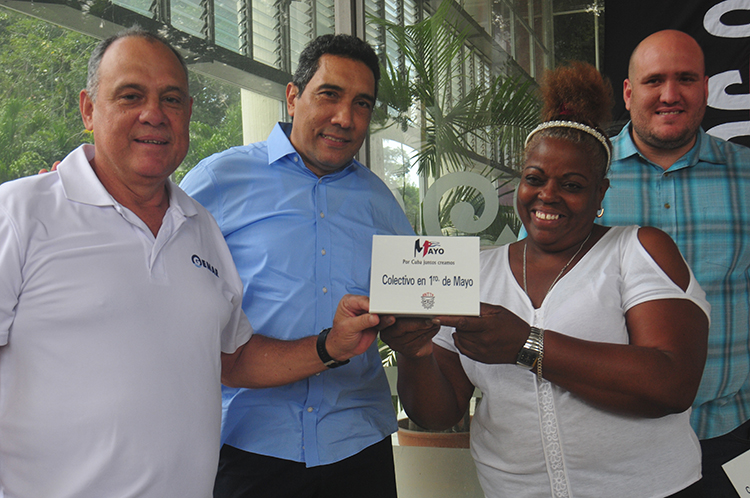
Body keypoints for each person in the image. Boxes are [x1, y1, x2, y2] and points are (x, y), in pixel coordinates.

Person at [0, 28, 388, 498]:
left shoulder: (198, 225)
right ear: (88, 109)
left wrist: (333, 345)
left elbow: (234, 356)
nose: (153, 114)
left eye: (171, 99)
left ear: (187, 113)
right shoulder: (19, 215)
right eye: (130, 95)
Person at [381, 62, 710, 497]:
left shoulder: (637, 250)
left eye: (571, 185)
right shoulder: (474, 271)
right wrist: (415, 353)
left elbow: (673, 384)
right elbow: (438, 415)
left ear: (600, 193)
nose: (547, 195)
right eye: (534, 179)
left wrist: (528, 345)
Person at [179, 34, 414, 498]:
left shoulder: (382, 204)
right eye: (329, 94)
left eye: (362, 104)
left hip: (358, 447)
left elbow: (408, 305)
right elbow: (173, 305)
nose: (345, 118)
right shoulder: (218, 181)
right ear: (292, 96)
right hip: (248, 446)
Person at [599, 29, 750, 496]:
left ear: (706, 88)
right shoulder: (580, 177)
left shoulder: (747, 176)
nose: (670, 94)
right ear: (628, 93)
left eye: (685, 79)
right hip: (611, 440)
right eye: (654, 81)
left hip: (730, 434)